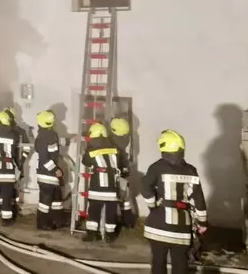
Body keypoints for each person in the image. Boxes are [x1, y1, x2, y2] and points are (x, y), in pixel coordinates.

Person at [141, 130, 208, 274]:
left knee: (158, 262)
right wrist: (202, 223)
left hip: (158, 224)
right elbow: (198, 199)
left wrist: (153, 205)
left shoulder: (156, 167)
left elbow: (145, 188)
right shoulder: (191, 171)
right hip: (181, 228)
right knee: (180, 262)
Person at [80, 122, 125, 243]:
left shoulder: (91, 150)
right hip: (112, 188)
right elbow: (121, 164)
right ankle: (110, 235)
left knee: (93, 210)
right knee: (111, 212)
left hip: (97, 187)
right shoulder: (116, 150)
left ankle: (92, 234)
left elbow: (85, 162)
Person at [34, 110, 63, 230]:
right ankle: (42, 223)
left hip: (50, 173)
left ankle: (57, 220)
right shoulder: (42, 138)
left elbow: (53, 151)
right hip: (46, 173)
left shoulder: (50, 135)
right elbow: (44, 158)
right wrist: (55, 169)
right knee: (45, 200)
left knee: (56, 197)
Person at [109, 117, 136, 228]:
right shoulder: (126, 139)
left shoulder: (110, 140)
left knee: (113, 197)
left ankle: (113, 221)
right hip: (123, 171)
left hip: (113, 172)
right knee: (125, 197)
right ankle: (128, 221)